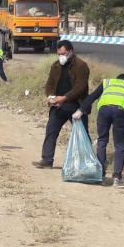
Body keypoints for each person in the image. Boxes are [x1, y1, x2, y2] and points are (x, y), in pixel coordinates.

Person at [73, 73, 124, 187]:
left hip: (104, 111)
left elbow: (92, 96)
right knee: (120, 145)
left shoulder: (107, 83)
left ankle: (100, 176)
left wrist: (80, 110)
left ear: (117, 80)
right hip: (120, 112)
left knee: (102, 141)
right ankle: (117, 178)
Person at [33, 40, 90, 169]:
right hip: (58, 106)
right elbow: (49, 84)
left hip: (77, 106)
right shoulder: (55, 66)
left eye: (63, 53)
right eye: (59, 54)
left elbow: (80, 87)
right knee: (51, 131)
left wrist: (64, 98)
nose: (61, 56)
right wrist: (51, 97)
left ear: (70, 51)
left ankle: (86, 162)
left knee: (82, 134)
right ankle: (47, 160)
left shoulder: (81, 66)